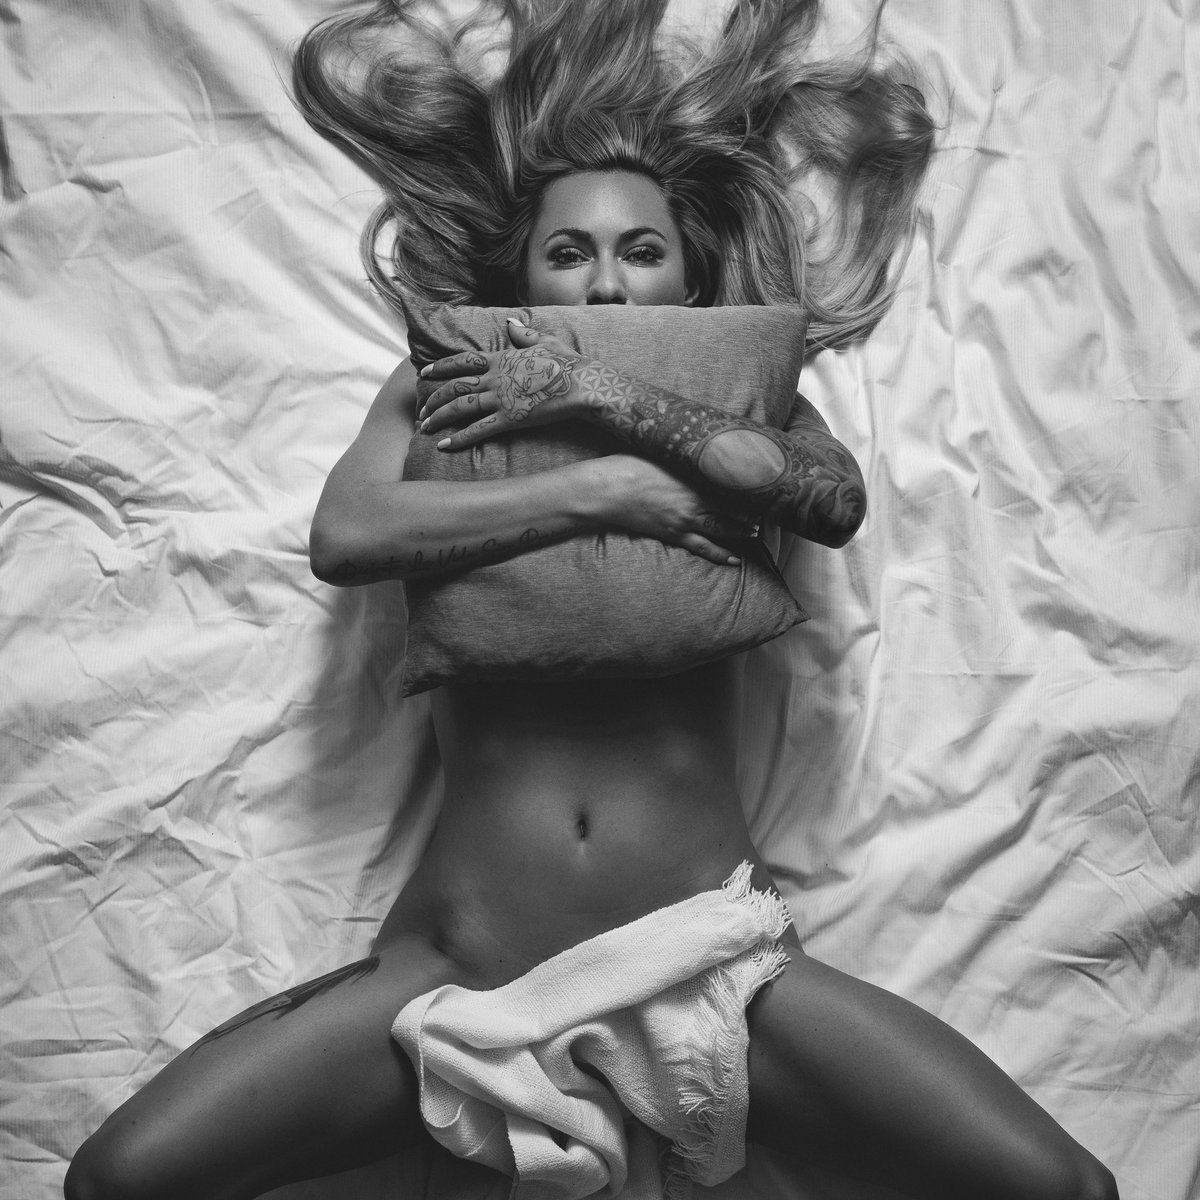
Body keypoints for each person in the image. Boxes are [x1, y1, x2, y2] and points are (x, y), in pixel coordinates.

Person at [65, 2, 1119, 1198]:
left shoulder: (752, 401)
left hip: (710, 960)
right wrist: (602, 492)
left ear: (689, 274)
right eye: (569, 253)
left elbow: (825, 500)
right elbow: (348, 536)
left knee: (1066, 1190)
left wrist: (602, 398)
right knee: (117, 1179)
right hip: (462, 963)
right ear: (522, 271)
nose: (607, 284)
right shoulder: (441, 389)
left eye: (640, 251)